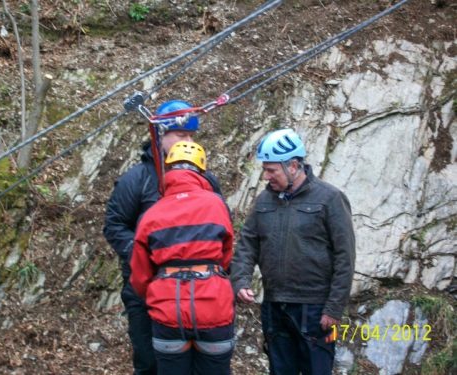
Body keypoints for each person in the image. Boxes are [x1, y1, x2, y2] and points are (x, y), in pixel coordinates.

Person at [103, 100, 222, 375]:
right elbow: (114, 225)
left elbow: (220, 229)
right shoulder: (138, 180)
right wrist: (144, 256)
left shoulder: (206, 181)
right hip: (147, 288)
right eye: (181, 136)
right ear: (160, 135)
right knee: (150, 362)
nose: (187, 142)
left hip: (197, 290)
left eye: (191, 137)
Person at [230, 128, 355, 375]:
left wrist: (333, 308)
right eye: (265, 169)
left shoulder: (330, 198)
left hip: (315, 308)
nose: (266, 176)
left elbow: (345, 257)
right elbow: (247, 244)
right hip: (275, 306)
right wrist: (241, 280)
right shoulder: (263, 201)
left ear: (294, 166)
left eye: (271, 170)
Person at [130, 141, 235, 375]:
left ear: (168, 171)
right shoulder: (216, 205)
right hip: (213, 305)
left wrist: (157, 294)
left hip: (168, 310)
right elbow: (226, 256)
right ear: (201, 172)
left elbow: (140, 274)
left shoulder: (152, 213)